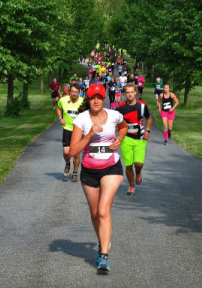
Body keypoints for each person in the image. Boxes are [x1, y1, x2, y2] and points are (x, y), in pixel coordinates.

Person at [69, 83, 128, 272]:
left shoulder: (114, 115)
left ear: (104, 99)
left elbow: (124, 126)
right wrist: (90, 135)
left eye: (100, 97)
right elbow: (73, 151)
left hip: (111, 167)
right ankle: (103, 240)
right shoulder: (82, 119)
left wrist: (120, 138)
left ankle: (103, 255)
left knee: (103, 210)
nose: (96, 101)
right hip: (89, 170)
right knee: (95, 214)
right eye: (93, 97)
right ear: (88, 99)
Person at [116, 83, 151, 196]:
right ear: (125, 93)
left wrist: (147, 131)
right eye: (128, 92)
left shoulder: (142, 106)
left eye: (132, 92)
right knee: (128, 165)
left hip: (140, 138)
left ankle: (139, 172)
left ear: (135, 92)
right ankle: (131, 186)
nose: (130, 95)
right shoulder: (120, 108)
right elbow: (116, 122)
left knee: (138, 164)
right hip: (126, 139)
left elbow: (148, 118)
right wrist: (117, 130)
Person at [56, 83, 83, 181]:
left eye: (76, 92)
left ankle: (75, 173)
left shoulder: (83, 101)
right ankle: (68, 163)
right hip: (67, 128)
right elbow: (58, 108)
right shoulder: (63, 100)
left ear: (79, 92)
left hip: (78, 129)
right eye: (72, 92)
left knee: (76, 154)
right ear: (69, 91)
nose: (74, 94)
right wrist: (60, 118)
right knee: (66, 152)